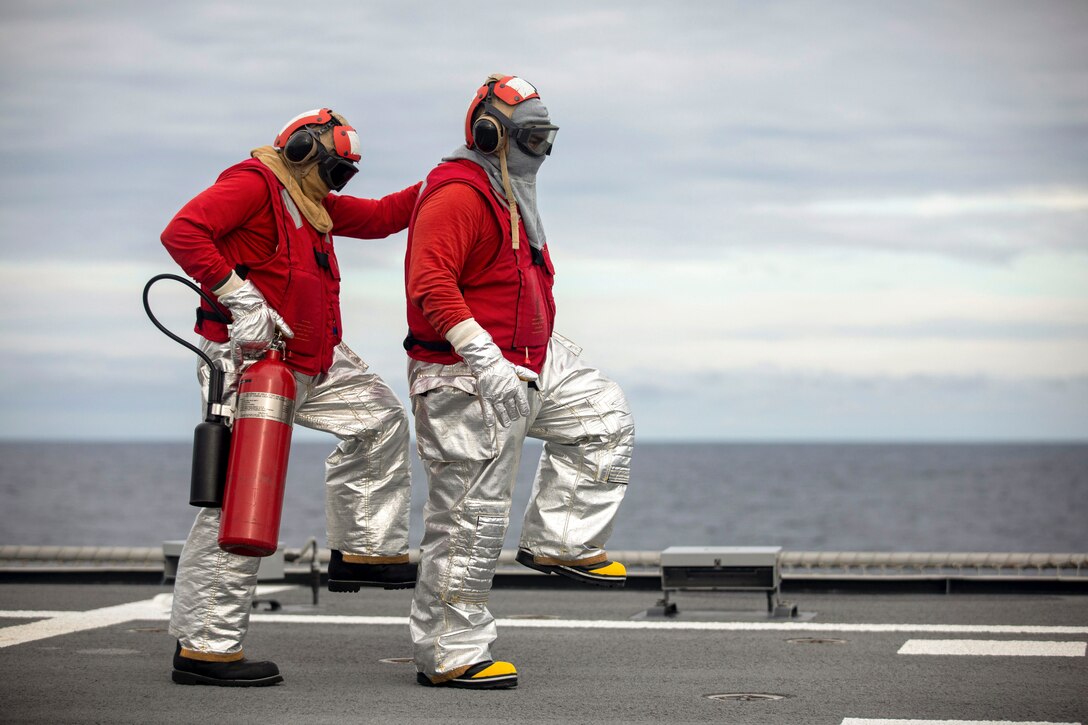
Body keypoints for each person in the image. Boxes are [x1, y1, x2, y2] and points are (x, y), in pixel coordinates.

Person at [161, 108, 421, 687]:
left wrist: (453, 175)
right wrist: (240, 297)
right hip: (250, 363)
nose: (337, 184)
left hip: (313, 360)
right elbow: (182, 232)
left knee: (380, 418)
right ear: (302, 150)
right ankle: (206, 646)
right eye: (334, 170)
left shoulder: (314, 201)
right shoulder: (253, 184)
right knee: (238, 504)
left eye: (345, 176)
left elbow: (382, 217)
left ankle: (364, 548)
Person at [404, 75, 635, 689]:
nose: (541, 150)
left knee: (600, 416)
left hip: (527, 360)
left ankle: (561, 541)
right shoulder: (459, 195)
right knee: (470, 518)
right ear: (490, 134)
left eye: (546, 137)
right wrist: (482, 356)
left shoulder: (505, 191)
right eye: (532, 136)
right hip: (464, 374)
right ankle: (450, 655)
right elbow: (430, 283)